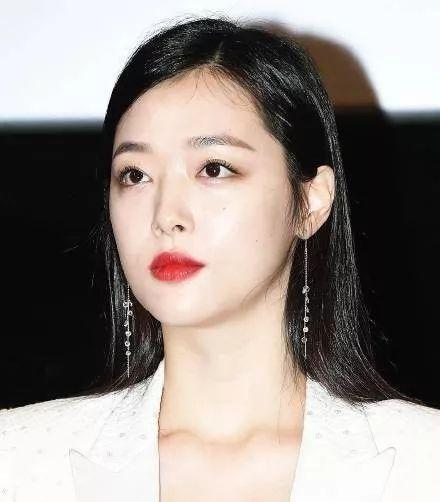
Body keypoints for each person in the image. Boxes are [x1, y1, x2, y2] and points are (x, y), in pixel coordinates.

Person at [1, 15, 439, 502]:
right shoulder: (18, 460)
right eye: (135, 175)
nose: (166, 215)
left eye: (213, 169)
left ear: (311, 202)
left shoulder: (424, 463)